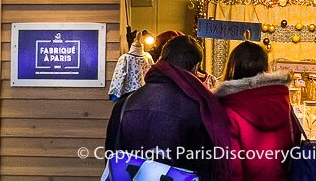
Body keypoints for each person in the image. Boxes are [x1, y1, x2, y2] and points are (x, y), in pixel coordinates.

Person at [105, 35, 231, 181]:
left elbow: (111, 157)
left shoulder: (125, 102)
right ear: (196, 68)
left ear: (161, 59)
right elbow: (206, 167)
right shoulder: (200, 108)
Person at [215, 41, 298, 181]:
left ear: (232, 67)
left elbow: (232, 166)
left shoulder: (228, 109)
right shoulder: (282, 101)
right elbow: (293, 142)